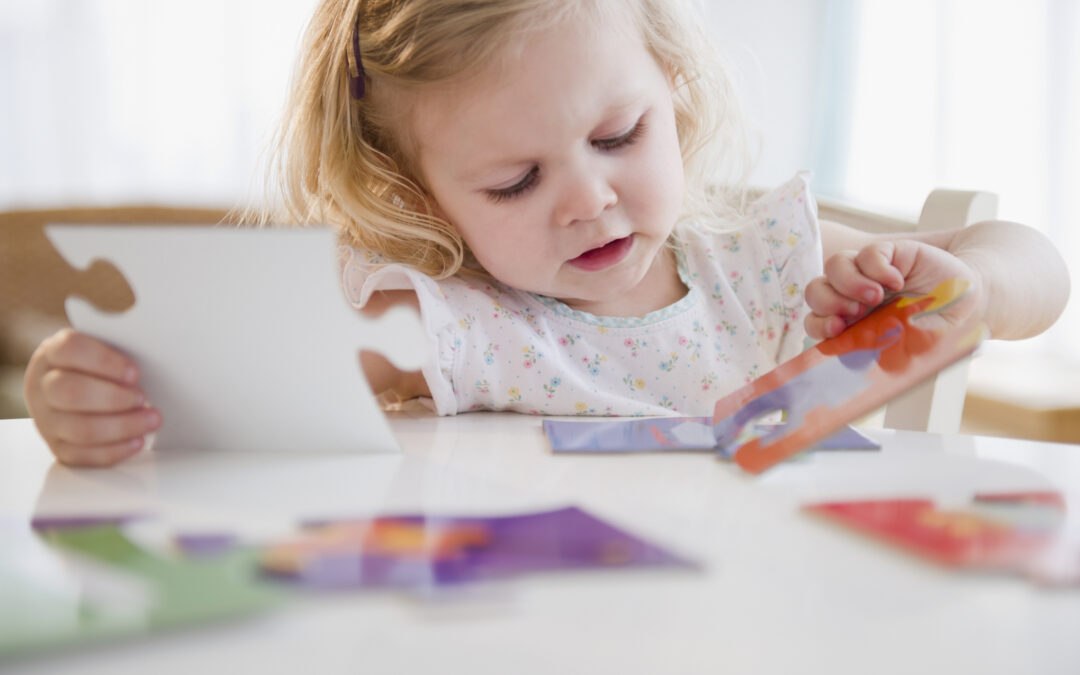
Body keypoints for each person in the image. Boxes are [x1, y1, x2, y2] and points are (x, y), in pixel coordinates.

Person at [23, 0, 1070, 467]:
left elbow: (1041, 267)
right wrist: (105, 390)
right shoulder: (453, 318)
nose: (589, 199)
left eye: (619, 135)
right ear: (426, 200)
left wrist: (970, 282)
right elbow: (222, 381)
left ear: (679, 93)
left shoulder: (760, 257)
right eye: (516, 181)